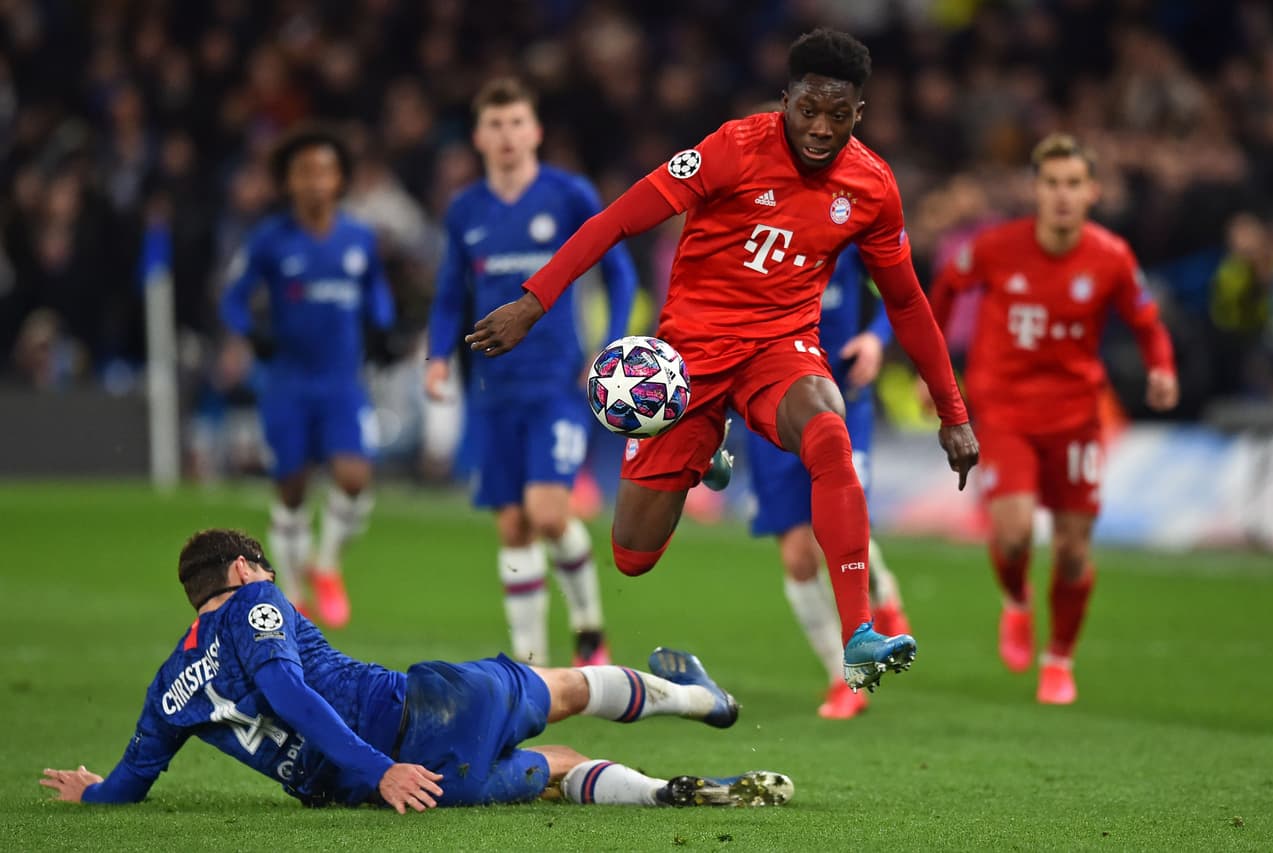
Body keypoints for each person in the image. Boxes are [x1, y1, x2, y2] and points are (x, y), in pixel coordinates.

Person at [464, 29, 979, 695]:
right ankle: (704, 446)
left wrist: (952, 411)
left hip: (780, 350)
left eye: (839, 114)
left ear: (862, 111)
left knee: (829, 431)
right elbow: (617, 219)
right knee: (632, 556)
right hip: (687, 364)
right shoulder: (732, 148)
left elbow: (908, 303)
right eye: (808, 110)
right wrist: (535, 300)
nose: (821, 129)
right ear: (786, 99)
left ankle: (859, 635)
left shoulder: (874, 186)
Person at [39, 529, 793, 811]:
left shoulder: (168, 685)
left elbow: (129, 786)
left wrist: (93, 791)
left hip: (410, 793)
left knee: (554, 770)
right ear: (244, 567)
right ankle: (703, 699)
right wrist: (386, 764)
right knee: (563, 688)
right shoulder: (256, 603)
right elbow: (287, 690)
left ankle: (668, 794)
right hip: (415, 721)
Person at [927, 133, 1179, 704]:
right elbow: (940, 292)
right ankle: (1017, 602)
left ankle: (1059, 659)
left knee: (1070, 551)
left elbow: (1146, 320)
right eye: (1051, 184)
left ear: (1092, 191)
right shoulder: (995, 248)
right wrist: (931, 371)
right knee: (1013, 537)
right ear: (1034, 190)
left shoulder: (1111, 256)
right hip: (1006, 410)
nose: (1062, 195)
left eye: (1073, 184)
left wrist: (1160, 367)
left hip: (1075, 417)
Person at [426, 78, 637, 667]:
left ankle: (590, 629)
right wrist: (438, 355)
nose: (507, 136)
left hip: (557, 383)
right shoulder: (465, 208)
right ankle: (530, 666)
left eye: (517, 123)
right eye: (495, 125)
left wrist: (610, 346)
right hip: (492, 388)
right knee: (513, 526)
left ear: (536, 131)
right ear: (478, 137)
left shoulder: (568, 194)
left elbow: (619, 272)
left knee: (548, 515)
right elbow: (450, 292)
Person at [220, 127, 395, 629]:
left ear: (339, 178)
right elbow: (232, 298)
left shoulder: (359, 237)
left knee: (355, 478)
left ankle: (326, 564)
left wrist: (383, 327)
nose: (316, 181)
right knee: (293, 488)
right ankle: (292, 589)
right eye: (304, 172)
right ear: (288, 182)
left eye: (325, 171)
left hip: (342, 382)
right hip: (288, 383)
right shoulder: (270, 240)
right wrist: (249, 333)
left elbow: (375, 294)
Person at [745, 244, 912, 719]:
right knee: (798, 557)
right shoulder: (746, 228)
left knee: (830, 530)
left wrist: (877, 338)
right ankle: (842, 678)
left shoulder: (846, 223)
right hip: (769, 403)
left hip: (839, 396)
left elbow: (897, 292)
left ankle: (884, 596)